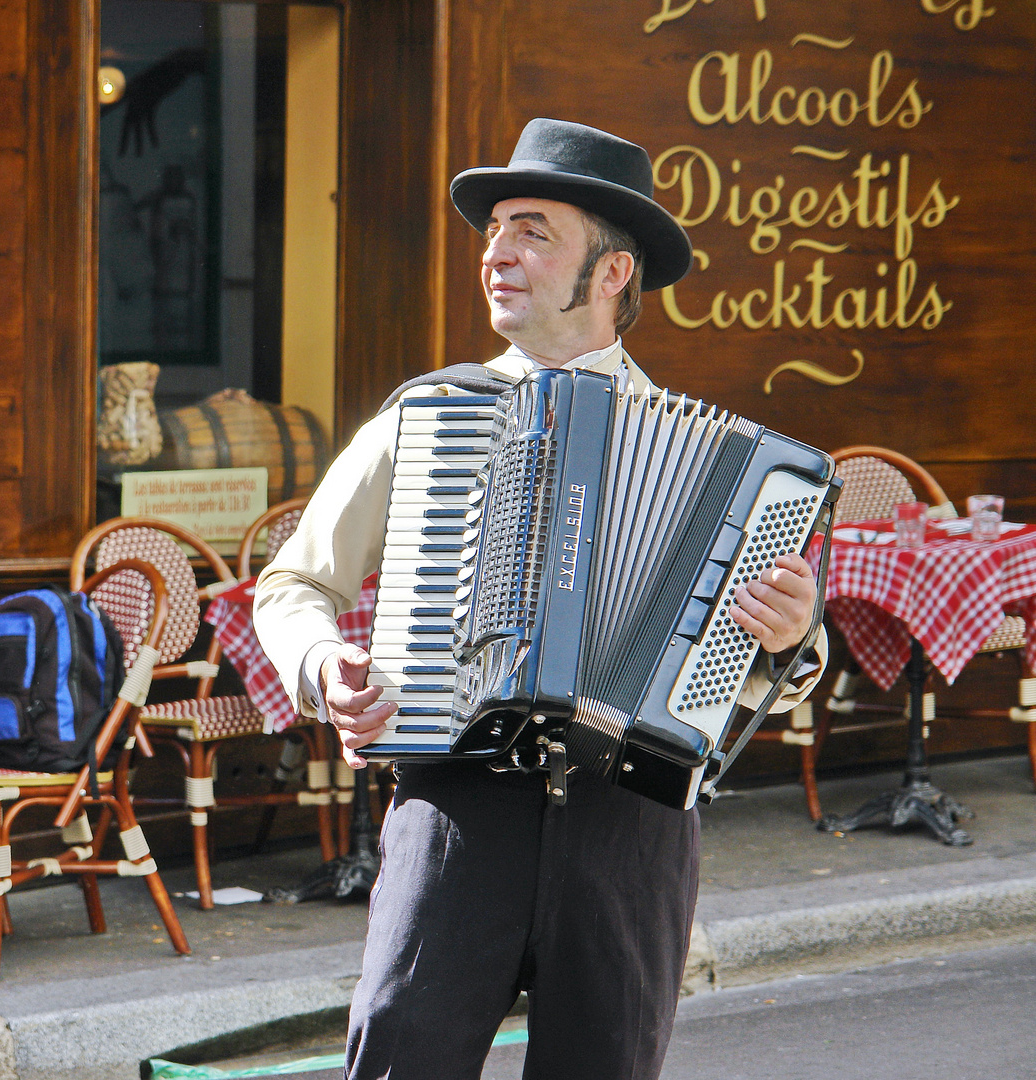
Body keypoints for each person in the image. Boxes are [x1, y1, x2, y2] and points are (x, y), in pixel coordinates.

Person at [252, 118, 831, 1080]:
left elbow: (775, 666)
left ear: (610, 274)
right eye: (492, 233)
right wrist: (322, 665)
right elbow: (295, 583)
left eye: (531, 231)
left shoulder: (731, 472)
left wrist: (785, 636)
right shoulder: (430, 414)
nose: (496, 255)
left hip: (627, 833)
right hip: (455, 814)